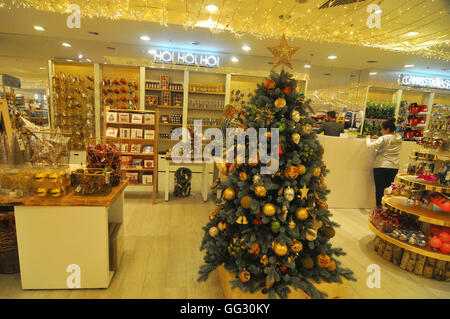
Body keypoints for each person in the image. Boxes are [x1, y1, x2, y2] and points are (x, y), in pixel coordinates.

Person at [366, 118, 402, 208]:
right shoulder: (399, 137)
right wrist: (379, 138)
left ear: (387, 129)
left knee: (379, 189)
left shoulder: (384, 138)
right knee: (388, 189)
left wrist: (367, 138)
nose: (381, 131)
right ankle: (387, 207)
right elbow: (389, 142)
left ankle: (379, 207)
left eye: (382, 129)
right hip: (394, 166)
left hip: (381, 165)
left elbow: (370, 145)